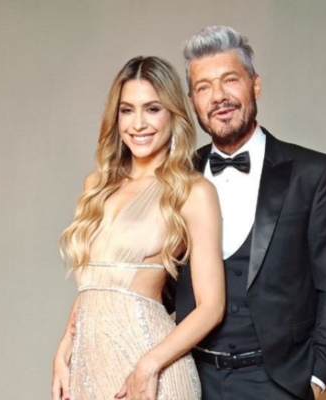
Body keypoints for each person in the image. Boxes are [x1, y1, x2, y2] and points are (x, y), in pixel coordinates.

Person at [173, 26, 326, 400]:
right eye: (204, 87)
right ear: (193, 102)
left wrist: (316, 378)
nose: (219, 96)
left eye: (230, 80)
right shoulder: (176, 179)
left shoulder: (313, 173)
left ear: (255, 85)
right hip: (191, 381)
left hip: (279, 383)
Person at [52, 56, 225, 400]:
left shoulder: (192, 191)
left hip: (152, 368)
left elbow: (212, 307)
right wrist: (63, 351)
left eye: (153, 109)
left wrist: (148, 366)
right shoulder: (96, 186)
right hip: (92, 366)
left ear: (173, 114)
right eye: (127, 110)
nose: (138, 123)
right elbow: (96, 281)